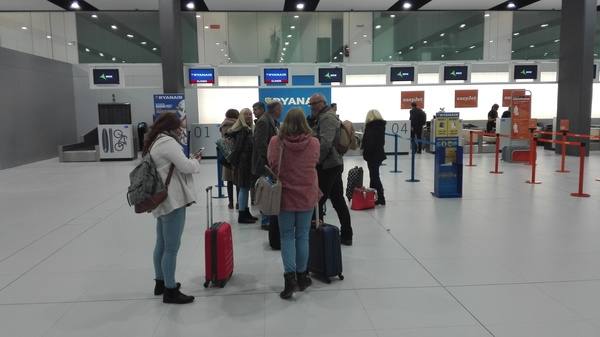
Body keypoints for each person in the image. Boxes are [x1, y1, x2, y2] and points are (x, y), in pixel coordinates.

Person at [144, 112, 202, 304]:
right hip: (172, 201)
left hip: (161, 199)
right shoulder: (167, 142)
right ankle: (170, 289)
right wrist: (196, 161)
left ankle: (160, 281)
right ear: (171, 127)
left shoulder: (155, 141)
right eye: (179, 126)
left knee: (161, 243)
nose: (181, 129)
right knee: (171, 247)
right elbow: (185, 166)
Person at [267, 108, 320, 299]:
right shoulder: (314, 143)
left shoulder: (276, 142)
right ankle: (303, 276)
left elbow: (272, 165)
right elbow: (315, 162)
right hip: (307, 193)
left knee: (287, 237)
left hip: (285, 195)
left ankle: (290, 280)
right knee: (303, 235)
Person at [309, 93, 353, 246]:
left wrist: (315, 161)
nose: (312, 107)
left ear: (322, 103)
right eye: (311, 104)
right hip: (334, 164)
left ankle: (319, 236)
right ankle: (346, 234)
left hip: (328, 165)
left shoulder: (327, 117)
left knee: (319, 200)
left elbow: (326, 143)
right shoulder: (325, 116)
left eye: (314, 104)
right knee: (337, 199)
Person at [252, 101, 282, 230]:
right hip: (265, 162)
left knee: (270, 189)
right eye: (280, 109)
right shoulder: (264, 121)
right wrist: (269, 160)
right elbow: (260, 144)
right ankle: (265, 220)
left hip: (269, 161)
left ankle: (268, 217)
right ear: (275, 109)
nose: (281, 111)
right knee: (266, 190)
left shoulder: (272, 121)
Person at [228, 108, 257, 224]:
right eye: (246, 114)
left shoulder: (248, 129)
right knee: (244, 189)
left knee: (245, 188)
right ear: (241, 117)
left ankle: (245, 211)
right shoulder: (243, 130)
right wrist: (236, 163)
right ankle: (242, 214)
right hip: (243, 164)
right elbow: (238, 148)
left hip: (245, 163)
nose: (249, 116)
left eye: (250, 114)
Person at [361, 109, 387, 206]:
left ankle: (381, 198)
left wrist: (365, 153)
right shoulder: (380, 126)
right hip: (379, 154)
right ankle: (372, 197)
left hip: (372, 155)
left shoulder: (371, 127)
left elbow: (369, 143)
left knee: (375, 177)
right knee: (373, 176)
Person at [220, 109, 240, 210]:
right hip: (236, 155)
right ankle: (239, 203)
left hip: (226, 155)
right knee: (238, 179)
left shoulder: (223, 125)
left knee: (229, 181)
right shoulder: (237, 125)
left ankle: (231, 203)